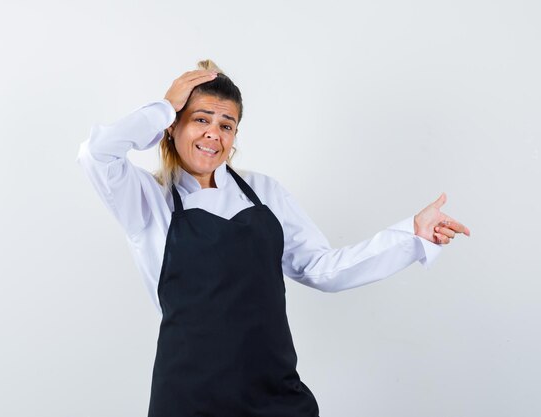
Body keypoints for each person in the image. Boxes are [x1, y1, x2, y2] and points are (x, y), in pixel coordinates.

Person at [76, 60, 470, 417]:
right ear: (173, 127)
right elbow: (97, 154)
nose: (214, 133)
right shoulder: (147, 201)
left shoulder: (263, 191)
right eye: (201, 119)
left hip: (273, 398)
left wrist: (410, 235)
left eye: (226, 125)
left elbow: (321, 267)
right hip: (187, 401)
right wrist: (163, 106)